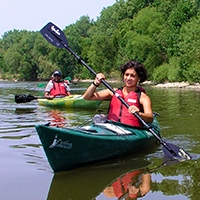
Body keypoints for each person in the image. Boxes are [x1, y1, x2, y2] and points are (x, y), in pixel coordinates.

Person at [83, 60, 153, 126]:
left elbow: (150, 118)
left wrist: (139, 113)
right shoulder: (113, 92)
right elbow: (87, 97)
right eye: (126, 74)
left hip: (131, 130)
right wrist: (96, 83)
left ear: (138, 79)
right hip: (112, 127)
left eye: (132, 76)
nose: (128, 78)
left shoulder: (143, 97)